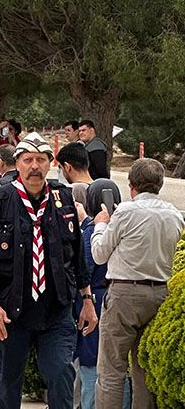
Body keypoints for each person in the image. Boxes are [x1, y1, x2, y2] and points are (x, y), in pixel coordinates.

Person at [0, 132, 98, 409]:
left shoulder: (64, 201)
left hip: (56, 310)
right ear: (18, 164)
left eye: (41, 159)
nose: (34, 166)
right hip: (10, 311)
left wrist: (87, 300)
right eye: (28, 160)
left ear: (51, 163)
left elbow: (77, 257)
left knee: (61, 372)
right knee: (7, 383)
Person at [91, 158, 185, 409]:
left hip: (123, 292)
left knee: (111, 369)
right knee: (142, 369)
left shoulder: (125, 212)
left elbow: (99, 254)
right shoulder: (175, 215)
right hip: (159, 293)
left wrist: (100, 226)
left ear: (131, 185)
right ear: (160, 184)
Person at [73, 179, 130, 409]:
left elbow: (84, 269)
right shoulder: (125, 229)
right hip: (120, 300)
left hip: (93, 304)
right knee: (119, 367)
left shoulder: (92, 233)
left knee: (92, 368)